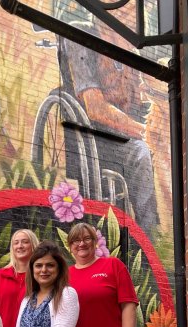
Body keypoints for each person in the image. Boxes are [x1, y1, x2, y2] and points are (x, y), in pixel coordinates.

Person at [59, 16, 159, 238]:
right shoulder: (82, 37)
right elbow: (96, 108)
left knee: (161, 153)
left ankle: (159, 235)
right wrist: (143, 132)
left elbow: (140, 102)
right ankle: (150, 238)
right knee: (142, 152)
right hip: (93, 137)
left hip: (124, 134)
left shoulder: (129, 54)